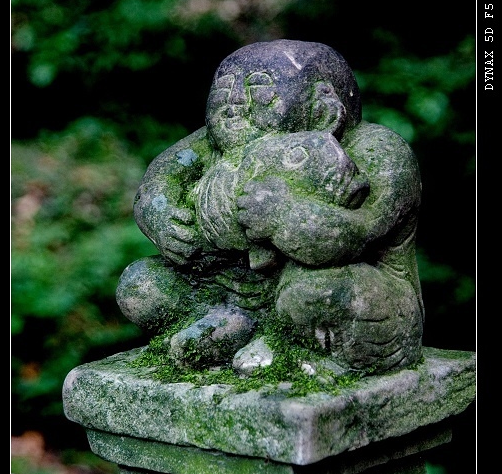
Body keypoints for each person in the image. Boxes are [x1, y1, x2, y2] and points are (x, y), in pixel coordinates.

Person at [116, 40, 424, 374]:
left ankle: (296, 349)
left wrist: (283, 216)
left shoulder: (379, 152)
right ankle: (235, 324)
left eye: (258, 88)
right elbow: (158, 182)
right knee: (140, 286)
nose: (235, 101)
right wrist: (160, 217)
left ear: (322, 108)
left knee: (313, 292)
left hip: (354, 292)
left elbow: (356, 235)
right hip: (232, 288)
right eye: (224, 89)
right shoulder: (217, 141)